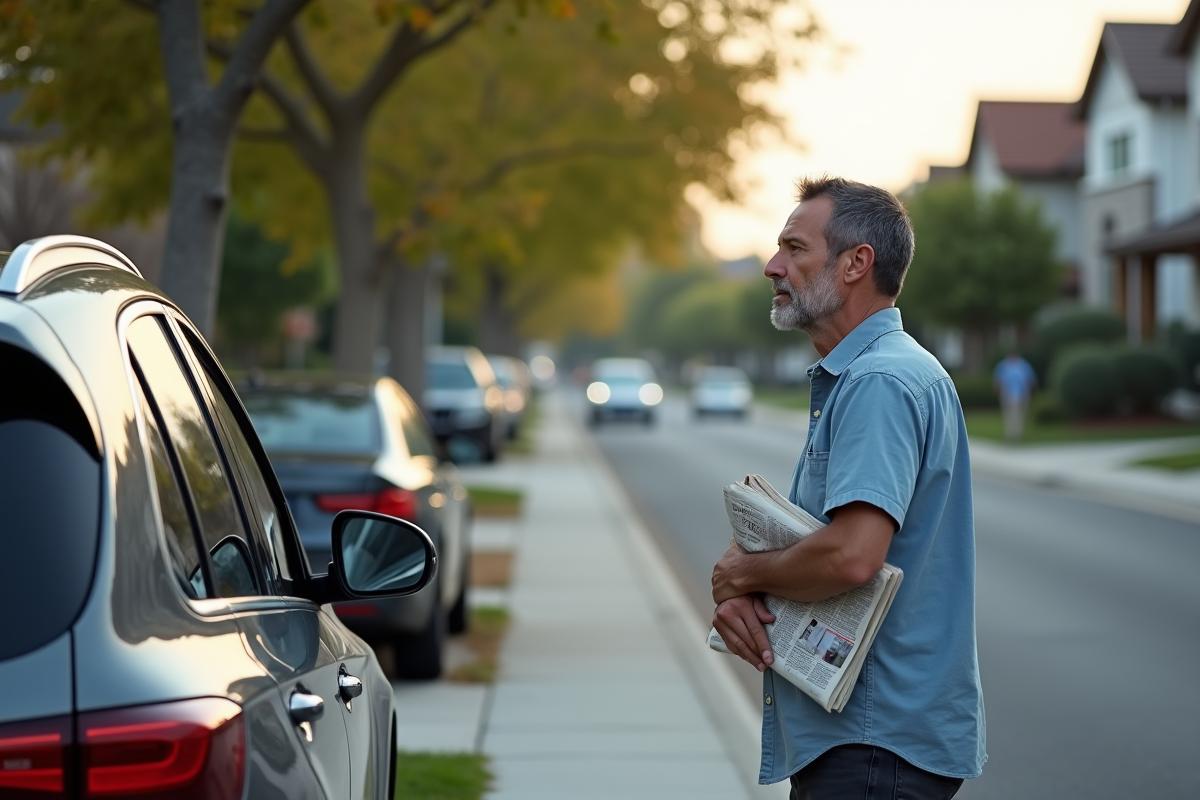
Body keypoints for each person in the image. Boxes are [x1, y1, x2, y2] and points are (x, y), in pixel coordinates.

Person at [710, 177, 985, 799]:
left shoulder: (879, 381)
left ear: (857, 263)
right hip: (872, 744)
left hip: (872, 746)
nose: (771, 266)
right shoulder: (873, 373)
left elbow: (851, 556)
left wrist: (744, 577)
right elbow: (830, 548)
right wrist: (749, 586)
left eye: (794, 248)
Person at [993, 349, 1038, 441]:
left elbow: (1030, 379)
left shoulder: (1023, 365)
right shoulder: (1003, 366)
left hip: (1022, 394)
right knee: (1009, 414)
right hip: (1007, 394)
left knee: (1019, 414)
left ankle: (1017, 434)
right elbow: (998, 380)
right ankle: (1011, 434)